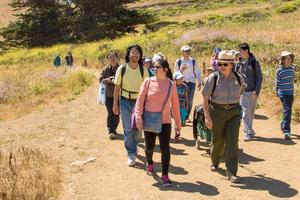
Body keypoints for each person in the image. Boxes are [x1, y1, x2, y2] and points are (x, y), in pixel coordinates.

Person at [135, 58, 181, 187]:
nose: (154, 69)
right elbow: (140, 100)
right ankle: (149, 163)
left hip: (165, 121)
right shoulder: (148, 82)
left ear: (165, 69)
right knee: (149, 148)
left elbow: (175, 106)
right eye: (153, 67)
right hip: (149, 120)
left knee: (165, 149)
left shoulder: (171, 85)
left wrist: (178, 124)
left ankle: (165, 175)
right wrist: (138, 116)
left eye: (157, 67)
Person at [202, 50, 244, 183]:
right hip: (217, 112)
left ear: (231, 65)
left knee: (232, 142)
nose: (221, 67)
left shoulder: (238, 78)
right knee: (218, 140)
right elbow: (205, 98)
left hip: (234, 112)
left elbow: (241, 93)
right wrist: (207, 117)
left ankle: (231, 172)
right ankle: (215, 160)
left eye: (225, 64)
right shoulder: (212, 78)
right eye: (219, 64)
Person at [113, 44, 149, 166]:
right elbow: (117, 88)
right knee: (128, 129)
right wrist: (115, 105)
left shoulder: (143, 70)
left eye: (137, 53)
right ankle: (131, 153)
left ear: (140, 56)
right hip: (124, 101)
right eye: (132, 52)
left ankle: (135, 145)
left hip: (139, 102)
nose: (135, 55)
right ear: (128, 55)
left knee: (138, 129)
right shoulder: (121, 69)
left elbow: (147, 88)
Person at [235, 43, 263, 141]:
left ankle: (249, 129)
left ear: (246, 50)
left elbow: (259, 77)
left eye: (240, 51)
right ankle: (248, 132)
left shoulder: (254, 62)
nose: (239, 53)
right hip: (243, 91)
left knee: (251, 112)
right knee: (245, 111)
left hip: (253, 91)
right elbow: (235, 76)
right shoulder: (238, 63)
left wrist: (257, 90)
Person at [174, 45, 202, 123]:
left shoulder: (193, 61)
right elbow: (175, 73)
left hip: (191, 83)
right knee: (180, 100)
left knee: (189, 101)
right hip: (181, 83)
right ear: (182, 52)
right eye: (186, 51)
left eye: (189, 50)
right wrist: (181, 70)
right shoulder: (178, 61)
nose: (188, 52)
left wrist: (199, 82)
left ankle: (186, 116)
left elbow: (197, 72)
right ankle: (179, 116)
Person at [99, 51, 120, 140]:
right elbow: (100, 80)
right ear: (108, 59)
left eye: (114, 56)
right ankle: (111, 131)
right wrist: (105, 80)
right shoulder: (105, 70)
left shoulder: (121, 69)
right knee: (110, 113)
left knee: (117, 113)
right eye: (110, 57)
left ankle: (113, 128)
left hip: (119, 95)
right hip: (108, 95)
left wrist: (114, 81)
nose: (112, 58)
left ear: (116, 57)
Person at [275, 51, 295, 140]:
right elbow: (277, 82)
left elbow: (292, 80)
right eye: (286, 59)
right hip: (282, 93)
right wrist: (277, 92)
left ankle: (283, 125)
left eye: (290, 59)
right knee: (287, 110)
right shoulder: (279, 70)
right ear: (282, 60)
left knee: (288, 110)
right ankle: (286, 131)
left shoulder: (292, 69)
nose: (288, 60)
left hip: (290, 93)